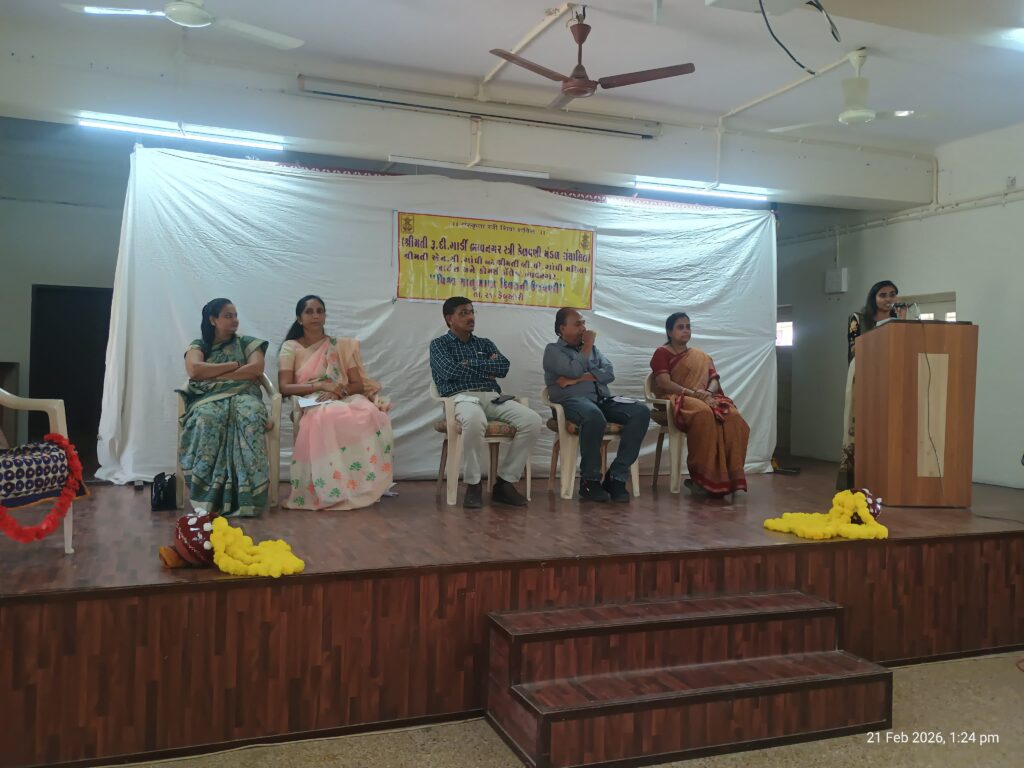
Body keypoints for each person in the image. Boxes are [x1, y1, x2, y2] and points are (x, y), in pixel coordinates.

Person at [278, 295, 394, 510]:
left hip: (342, 395)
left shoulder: (341, 346)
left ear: (325, 316)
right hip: (311, 399)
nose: (315, 316)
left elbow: (357, 384)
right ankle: (330, 488)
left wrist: (339, 392)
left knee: (369, 412)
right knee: (328, 415)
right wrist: (322, 386)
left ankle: (361, 484)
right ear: (299, 319)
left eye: (319, 311)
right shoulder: (291, 347)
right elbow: (284, 387)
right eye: (309, 312)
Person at [429, 296, 540, 509]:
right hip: (461, 397)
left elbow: (503, 367)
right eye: (463, 313)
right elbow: (449, 371)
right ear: (449, 319)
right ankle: (473, 484)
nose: (470, 317)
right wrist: (484, 366)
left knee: (532, 420)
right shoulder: (439, 345)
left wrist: (468, 363)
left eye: (472, 312)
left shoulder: (484, 343)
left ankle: (505, 483)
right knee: (474, 420)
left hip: (492, 396)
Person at [543, 308, 651, 502]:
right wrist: (588, 348)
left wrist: (577, 380)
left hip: (602, 400)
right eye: (578, 324)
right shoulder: (553, 351)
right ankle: (589, 481)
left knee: (641, 411)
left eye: (584, 323)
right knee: (593, 416)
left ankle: (616, 477)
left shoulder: (592, 350)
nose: (583, 328)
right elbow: (573, 369)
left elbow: (609, 373)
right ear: (562, 328)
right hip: (572, 402)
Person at [178, 298, 270, 517]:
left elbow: (255, 369)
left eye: (235, 315)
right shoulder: (199, 345)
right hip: (208, 397)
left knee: (250, 416)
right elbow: (195, 370)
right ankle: (209, 495)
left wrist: (213, 373)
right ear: (213, 320)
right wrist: (234, 366)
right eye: (228, 316)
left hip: (245, 394)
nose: (234, 320)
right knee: (207, 418)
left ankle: (248, 497)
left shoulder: (248, 343)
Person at [650, 312, 749, 497]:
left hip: (705, 397)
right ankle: (701, 479)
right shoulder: (661, 353)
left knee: (733, 417)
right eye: (680, 327)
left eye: (688, 326)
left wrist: (708, 393)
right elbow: (664, 382)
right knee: (703, 414)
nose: (686, 330)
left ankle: (729, 478)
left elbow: (714, 379)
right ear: (669, 332)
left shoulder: (701, 356)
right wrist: (693, 393)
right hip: (677, 398)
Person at [837, 280, 906, 489]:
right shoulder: (858, 318)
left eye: (892, 294)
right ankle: (857, 477)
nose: (888, 299)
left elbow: (902, 347)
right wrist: (881, 331)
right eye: (883, 295)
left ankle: (887, 477)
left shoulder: (897, 320)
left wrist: (902, 323)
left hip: (889, 373)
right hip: (863, 372)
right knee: (859, 421)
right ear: (873, 297)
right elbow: (854, 348)